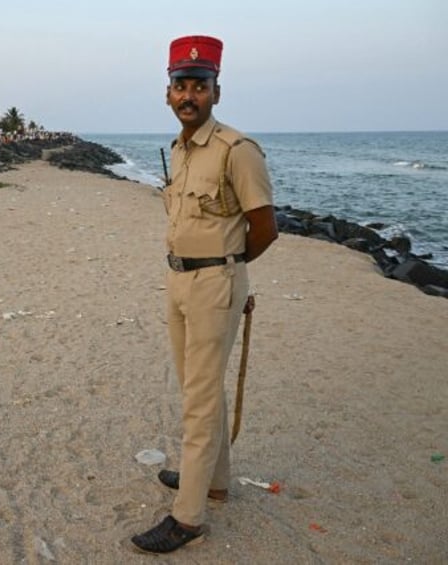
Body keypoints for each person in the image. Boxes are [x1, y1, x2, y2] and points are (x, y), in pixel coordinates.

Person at [130, 35, 278, 555]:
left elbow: (265, 227)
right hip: (178, 280)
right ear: (167, 92)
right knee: (202, 387)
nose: (189, 94)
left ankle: (189, 516)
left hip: (214, 282)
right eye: (181, 85)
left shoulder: (237, 150)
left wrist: (230, 271)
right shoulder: (179, 149)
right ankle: (213, 482)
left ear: (217, 91)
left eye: (200, 85)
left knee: (197, 397)